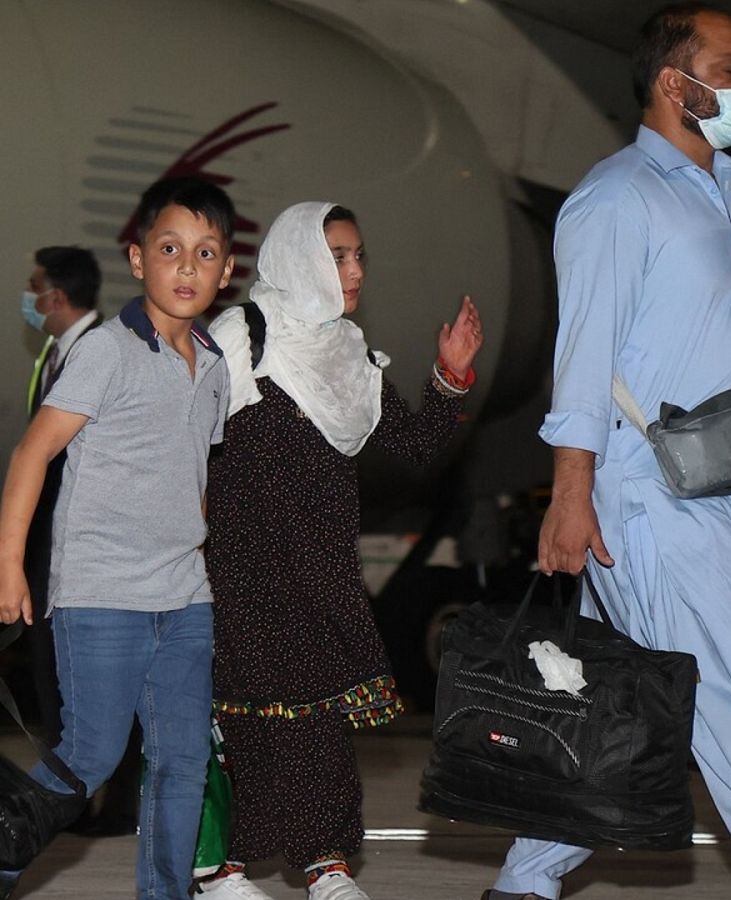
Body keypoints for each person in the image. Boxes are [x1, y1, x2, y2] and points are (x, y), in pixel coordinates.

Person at [486, 6, 731, 900]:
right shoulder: (618, 197)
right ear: (676, 82)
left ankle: (525, 882)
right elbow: (581, 355)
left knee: (622, 704)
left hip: (725, 491)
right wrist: (570, 491)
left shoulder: (717, 200)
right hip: (653, 498)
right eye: (730, 68)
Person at [0, 176, 234, 900]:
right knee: (90, 754)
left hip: (184, 599)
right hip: (102, 592)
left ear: (226, 271)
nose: (186, 267)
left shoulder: (215, 368)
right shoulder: (107, 352)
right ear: (138, 260)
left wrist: (202, 555)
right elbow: (32, 453)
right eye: (169, 248)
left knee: (181, 763)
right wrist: (9, 566)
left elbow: (194, 473)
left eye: (205, 253)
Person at [195, 203, 481, 900]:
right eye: (339, 256)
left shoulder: (348, 352)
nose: (353, 271)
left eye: (358, 257)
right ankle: (222, 870)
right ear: (299, 259)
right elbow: (184, 443)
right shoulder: (241, 336)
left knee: (318, 726)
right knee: (246, 721)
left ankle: (326, 865)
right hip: (241, 572)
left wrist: (449, 378)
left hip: (321, 573)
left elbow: (412, 448)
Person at [20, 245, 141, 836]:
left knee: (107, 668)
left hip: (96, 538)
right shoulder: (54, 353)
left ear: (58, 296)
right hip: (57, 534)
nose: (29, 298)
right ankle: (76, 793)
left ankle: (117, 800)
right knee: (53, 667)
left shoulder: (102, 350)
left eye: (34, 287)